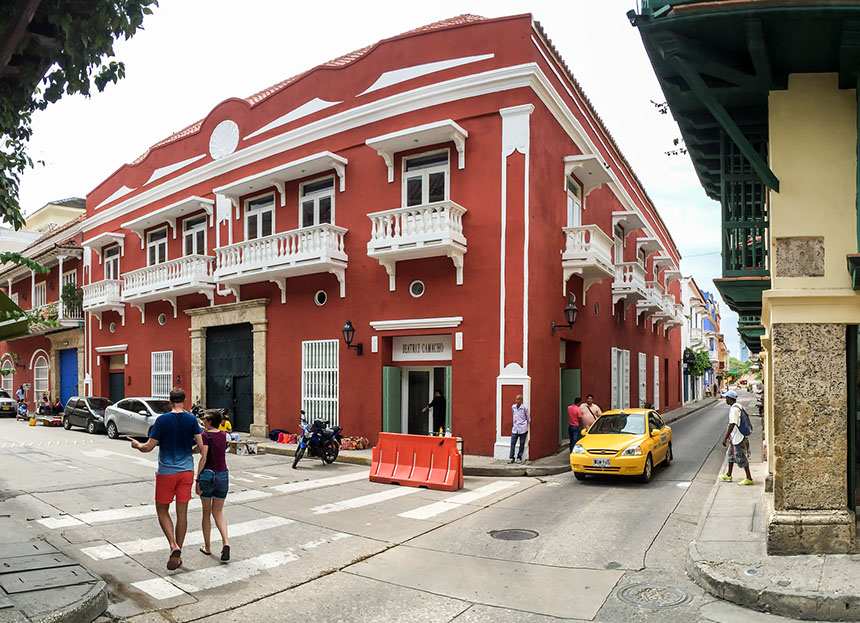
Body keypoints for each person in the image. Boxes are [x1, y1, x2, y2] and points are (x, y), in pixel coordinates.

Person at [130, 387, 204, 570]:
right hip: (186, 471)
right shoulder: (191, 419)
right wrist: (190, 451)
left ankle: (173, 546)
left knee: (162, 510)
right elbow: (201, 446)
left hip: (166, 472)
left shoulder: (162, 420)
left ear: (170, 401)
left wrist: (137, 445)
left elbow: (148, 447)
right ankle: (178, 557)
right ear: (184, 400)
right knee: (182, 513)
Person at [196, 410, 230, 562]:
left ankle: (208, 547)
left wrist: (197, 479)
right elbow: (213, 435)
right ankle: (226, 542)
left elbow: (203, 457)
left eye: (204, 419)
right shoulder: (224, 435)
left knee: (206, 513)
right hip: (223, 475)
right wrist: (204, 430)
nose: (203, 421)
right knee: (218, 513)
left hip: (207, 477)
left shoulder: (205, 436)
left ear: (209, 421)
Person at [720, 390, 753, 486]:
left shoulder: (734, 409)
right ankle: (728, 474)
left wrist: (725, 438)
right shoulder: (738, 406)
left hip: (738, 437)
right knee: (730, 455)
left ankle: (749, 478)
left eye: (726, 398)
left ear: (730, 399)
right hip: (734, 437)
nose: (725, 400)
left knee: (741, 457)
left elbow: (732, 424)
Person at [509, 394, 530, 464]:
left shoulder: (524, 408)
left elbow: (528, 418)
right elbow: (514, 415)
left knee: (522, 443)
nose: (517, 401)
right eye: (516, 399)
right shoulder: (513, 407)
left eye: (518, 399)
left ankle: (519, 457)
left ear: (521, 400)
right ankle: (511, 457)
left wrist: (525, 425)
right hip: (515, 428)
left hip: (523, 429)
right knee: (512, 443)